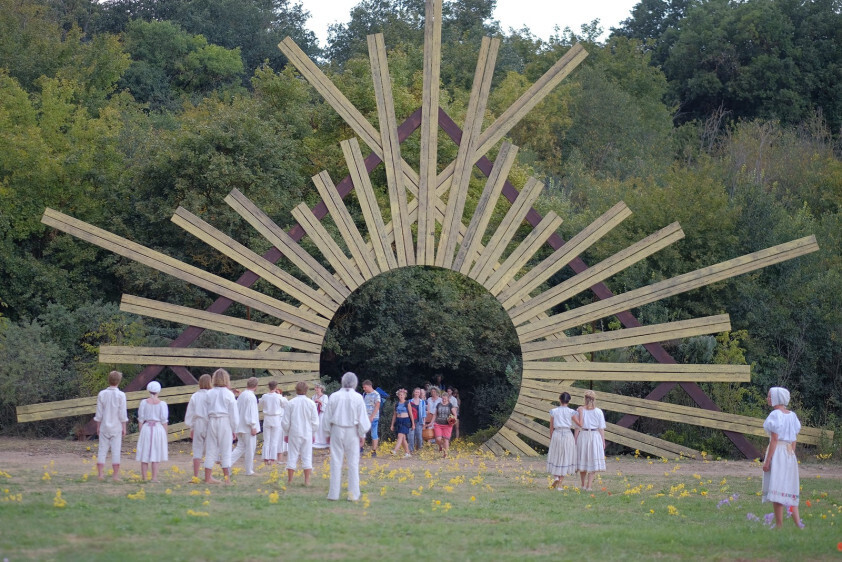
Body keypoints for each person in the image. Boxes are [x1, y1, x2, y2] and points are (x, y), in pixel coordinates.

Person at [323, 372, 371, 501]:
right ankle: (353, 495)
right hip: (352, 431)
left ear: (342, 381)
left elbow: (327, 416)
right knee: (353, 463)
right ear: (355, 383)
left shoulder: (334, 396)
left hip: (337, 429)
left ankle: (333, 494)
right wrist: (362, 434)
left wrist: (327, 433)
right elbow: (362, 418)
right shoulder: (358, 397)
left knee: (335, 462)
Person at [762, 386, 803, 529]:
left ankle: (779, 525)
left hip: (778, 451)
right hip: (789, 453)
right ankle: (799, 525)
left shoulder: (775, 415)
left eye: (769, 396)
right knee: (788, 487)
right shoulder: (792, 415)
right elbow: (794, 438)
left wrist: (767, 461)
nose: (767, 398)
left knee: (778, 486)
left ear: (776, 399)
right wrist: (791, 453)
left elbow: (774, 438)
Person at [204, 368, 239, 484]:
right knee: (226, 450)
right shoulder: (229, 394)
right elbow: (233, 414)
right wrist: (234, 429)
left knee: (210, 449)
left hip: (212, 420)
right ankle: (227, 479)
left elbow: (205, 411)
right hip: (225, 422)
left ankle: (208, 477)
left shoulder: (209, 393)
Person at [282, 381, 319, 485]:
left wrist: (286, 433)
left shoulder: (291, 403)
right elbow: (315, 422)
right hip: (307, 432)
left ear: (296, 390)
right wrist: (313, 433)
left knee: (292, 455)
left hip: (294, 432)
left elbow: (285, 422)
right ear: (306, 390)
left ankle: (290, 480)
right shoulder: (311, 403)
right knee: (307, 455)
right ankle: (307, 480)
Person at [93, 370, 128, 481]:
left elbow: (99, 413)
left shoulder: (102, 394)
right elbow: (122, 413)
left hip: (104, 426)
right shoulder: (121, 395)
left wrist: (98, 426)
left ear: (109, 380)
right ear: (119, 381)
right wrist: (124, 427)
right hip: (116, 426)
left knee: (102, 449)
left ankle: (100, 475)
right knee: (116, 450)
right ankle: (115, 476)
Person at [136, 381, 168, 483]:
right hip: (158, 429)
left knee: (145, 453)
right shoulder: (162, 404)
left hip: (146, 428)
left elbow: (140, 419)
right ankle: (154, 478)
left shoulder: (143, 403)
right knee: (156, 452)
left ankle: (144, 477)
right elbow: (164, 421)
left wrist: (142, 432)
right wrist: (165, 435)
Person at [547, 392, 581, 489]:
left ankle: (556, 477)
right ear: (568, 400)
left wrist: (551, 437)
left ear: (560, 400)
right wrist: (581, 414)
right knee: (565, 457)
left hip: (557, 434)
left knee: (556, 455)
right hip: (567, 434)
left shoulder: (554, 411)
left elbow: (551, 427)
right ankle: (560, 484)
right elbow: (579, 423)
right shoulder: (571, 412)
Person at [575, 389, 606, 491]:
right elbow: (601, 428)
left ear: (585, 399)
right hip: (594, 436)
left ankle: (584, 485)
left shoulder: (580, 410)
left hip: (584, 435)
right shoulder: (598, 411)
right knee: (591, 460)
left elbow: (577, 427)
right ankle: (588, 486)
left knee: (584, 459)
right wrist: (603, 440)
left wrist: (575, 440)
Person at [184, 374, 212, 479]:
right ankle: (208, 476)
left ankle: (195, 475)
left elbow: (190, 413)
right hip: (209, 423)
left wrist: (191, 427)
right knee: (210, 449)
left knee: (197, 449)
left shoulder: (195, 396)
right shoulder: (212, 395)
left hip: (198, 423)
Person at [231, 377, 260, 476]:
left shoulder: (242, 395)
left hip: (240, 425)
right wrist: (253, 426)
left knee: (240, 447)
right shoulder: (251, 397)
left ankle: (227, 463)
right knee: (250, 449)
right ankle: (249, 470)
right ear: (256, 386)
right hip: (248, 427)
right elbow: (251, 413)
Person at [259, 380, 287, 465]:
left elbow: (260, 403)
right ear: (276, 387)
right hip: (275, 418)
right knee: (274, 439)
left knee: (267, 439)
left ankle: (266, 458)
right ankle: (272, 458)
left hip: (267, 418)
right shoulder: (278, 397)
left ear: (268, 387)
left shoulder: (264, 396)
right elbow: (285, 404)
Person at [390, 389, 414, 458]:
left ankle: (395, 450)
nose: (400, 396)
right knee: (403, 439)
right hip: (398, 420)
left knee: (400, 436)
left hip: (405, 421)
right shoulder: (396, 404)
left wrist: (413, 424)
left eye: (402, 395)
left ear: (404, 396)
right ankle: (407, 453)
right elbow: (394, 415)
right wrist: (392, 424)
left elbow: (410, 414)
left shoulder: (407, 403)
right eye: (399, 395)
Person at [433, 392, 457, 458]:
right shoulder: (438, 405)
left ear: (447, 398)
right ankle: (441, 445)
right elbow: (435, 414)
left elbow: (455, 414)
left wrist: (454, 420)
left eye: (445, 399)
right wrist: (432, 422)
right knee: (438, 438)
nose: (444, 400)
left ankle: (445, 454)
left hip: (447, 425)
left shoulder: (450, 405)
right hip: (438, 424)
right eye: (443, 398)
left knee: (446, 439)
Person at [361, 380, 381, 457]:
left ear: (369, 386)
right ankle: (361, 448)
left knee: (373, 433)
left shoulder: (376, 394)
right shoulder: (364, 394)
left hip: (374, 417)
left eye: (365, 387)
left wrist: (372, 416)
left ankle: (374, 451)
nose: (364, 389)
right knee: (362, 432)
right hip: (364, 417)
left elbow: (377, 406)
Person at [311, 383, 330, 449]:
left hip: (322, 414)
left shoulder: (325, 397)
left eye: (317, 388)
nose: (316, 389)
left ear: (321, 389)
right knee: (316, 426)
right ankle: (316, 441)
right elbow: (312, 406)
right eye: (315, 388)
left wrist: (320, 402)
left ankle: (323, 441)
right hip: (315, 414)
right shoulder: (313, 397)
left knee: (321, 426)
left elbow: (327, 406)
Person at [408, 387, 426, 453]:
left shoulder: (422, 402)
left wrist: (424, 421)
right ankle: (411, 450)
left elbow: (424, 413)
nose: (417, 393)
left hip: (419, 421)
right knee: (411, 436)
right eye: (416, 392)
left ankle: (419, 448)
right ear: (414, 392)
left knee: (419, 436)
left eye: (418, 392)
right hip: (411, 421)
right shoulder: (410, 401)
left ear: (420, 393)